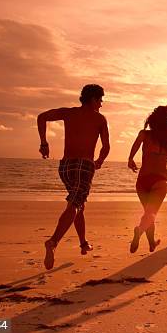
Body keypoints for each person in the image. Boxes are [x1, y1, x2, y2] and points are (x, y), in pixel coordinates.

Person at [37, 84, 110, 270]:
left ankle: (83, 243)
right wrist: (99, 161)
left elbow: (42, 117)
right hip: (83, 166)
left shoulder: (69, 113)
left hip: (65, 166)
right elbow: (106, 147)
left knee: (78, 204)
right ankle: (53, 242)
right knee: (76, 204)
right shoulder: (99, 119)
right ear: (93, 99)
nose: (101, 104)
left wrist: (44, 143)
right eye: (100, 100)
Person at [128, 105, 167, 253]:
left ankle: (152, 243)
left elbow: (134, 148)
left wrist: (130, 159)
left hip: (142, 181)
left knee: (148, 213)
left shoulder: (144, 134)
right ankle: (139, 231)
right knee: (150, 213)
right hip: (159, 180)